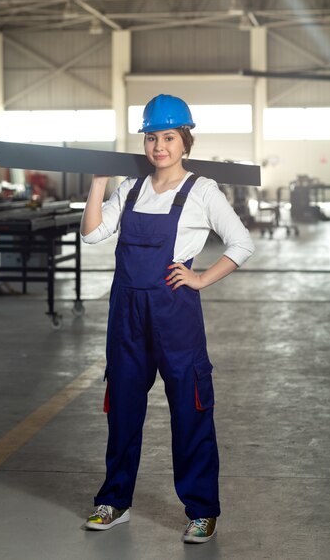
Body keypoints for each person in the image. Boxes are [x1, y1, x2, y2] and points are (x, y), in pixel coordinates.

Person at [80, 94, 255, 543]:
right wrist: (98, 183)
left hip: (174, 313)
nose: (160, 146)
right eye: (152, 137)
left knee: (189, 409)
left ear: (185, 142)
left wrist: (200, 278)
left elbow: (240, 243)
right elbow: (94, 234)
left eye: (169, 137)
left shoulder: (201, 190)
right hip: (127, 315)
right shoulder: (132, 188)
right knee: (122, 409)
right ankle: (113, 501)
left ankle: (202, 511)